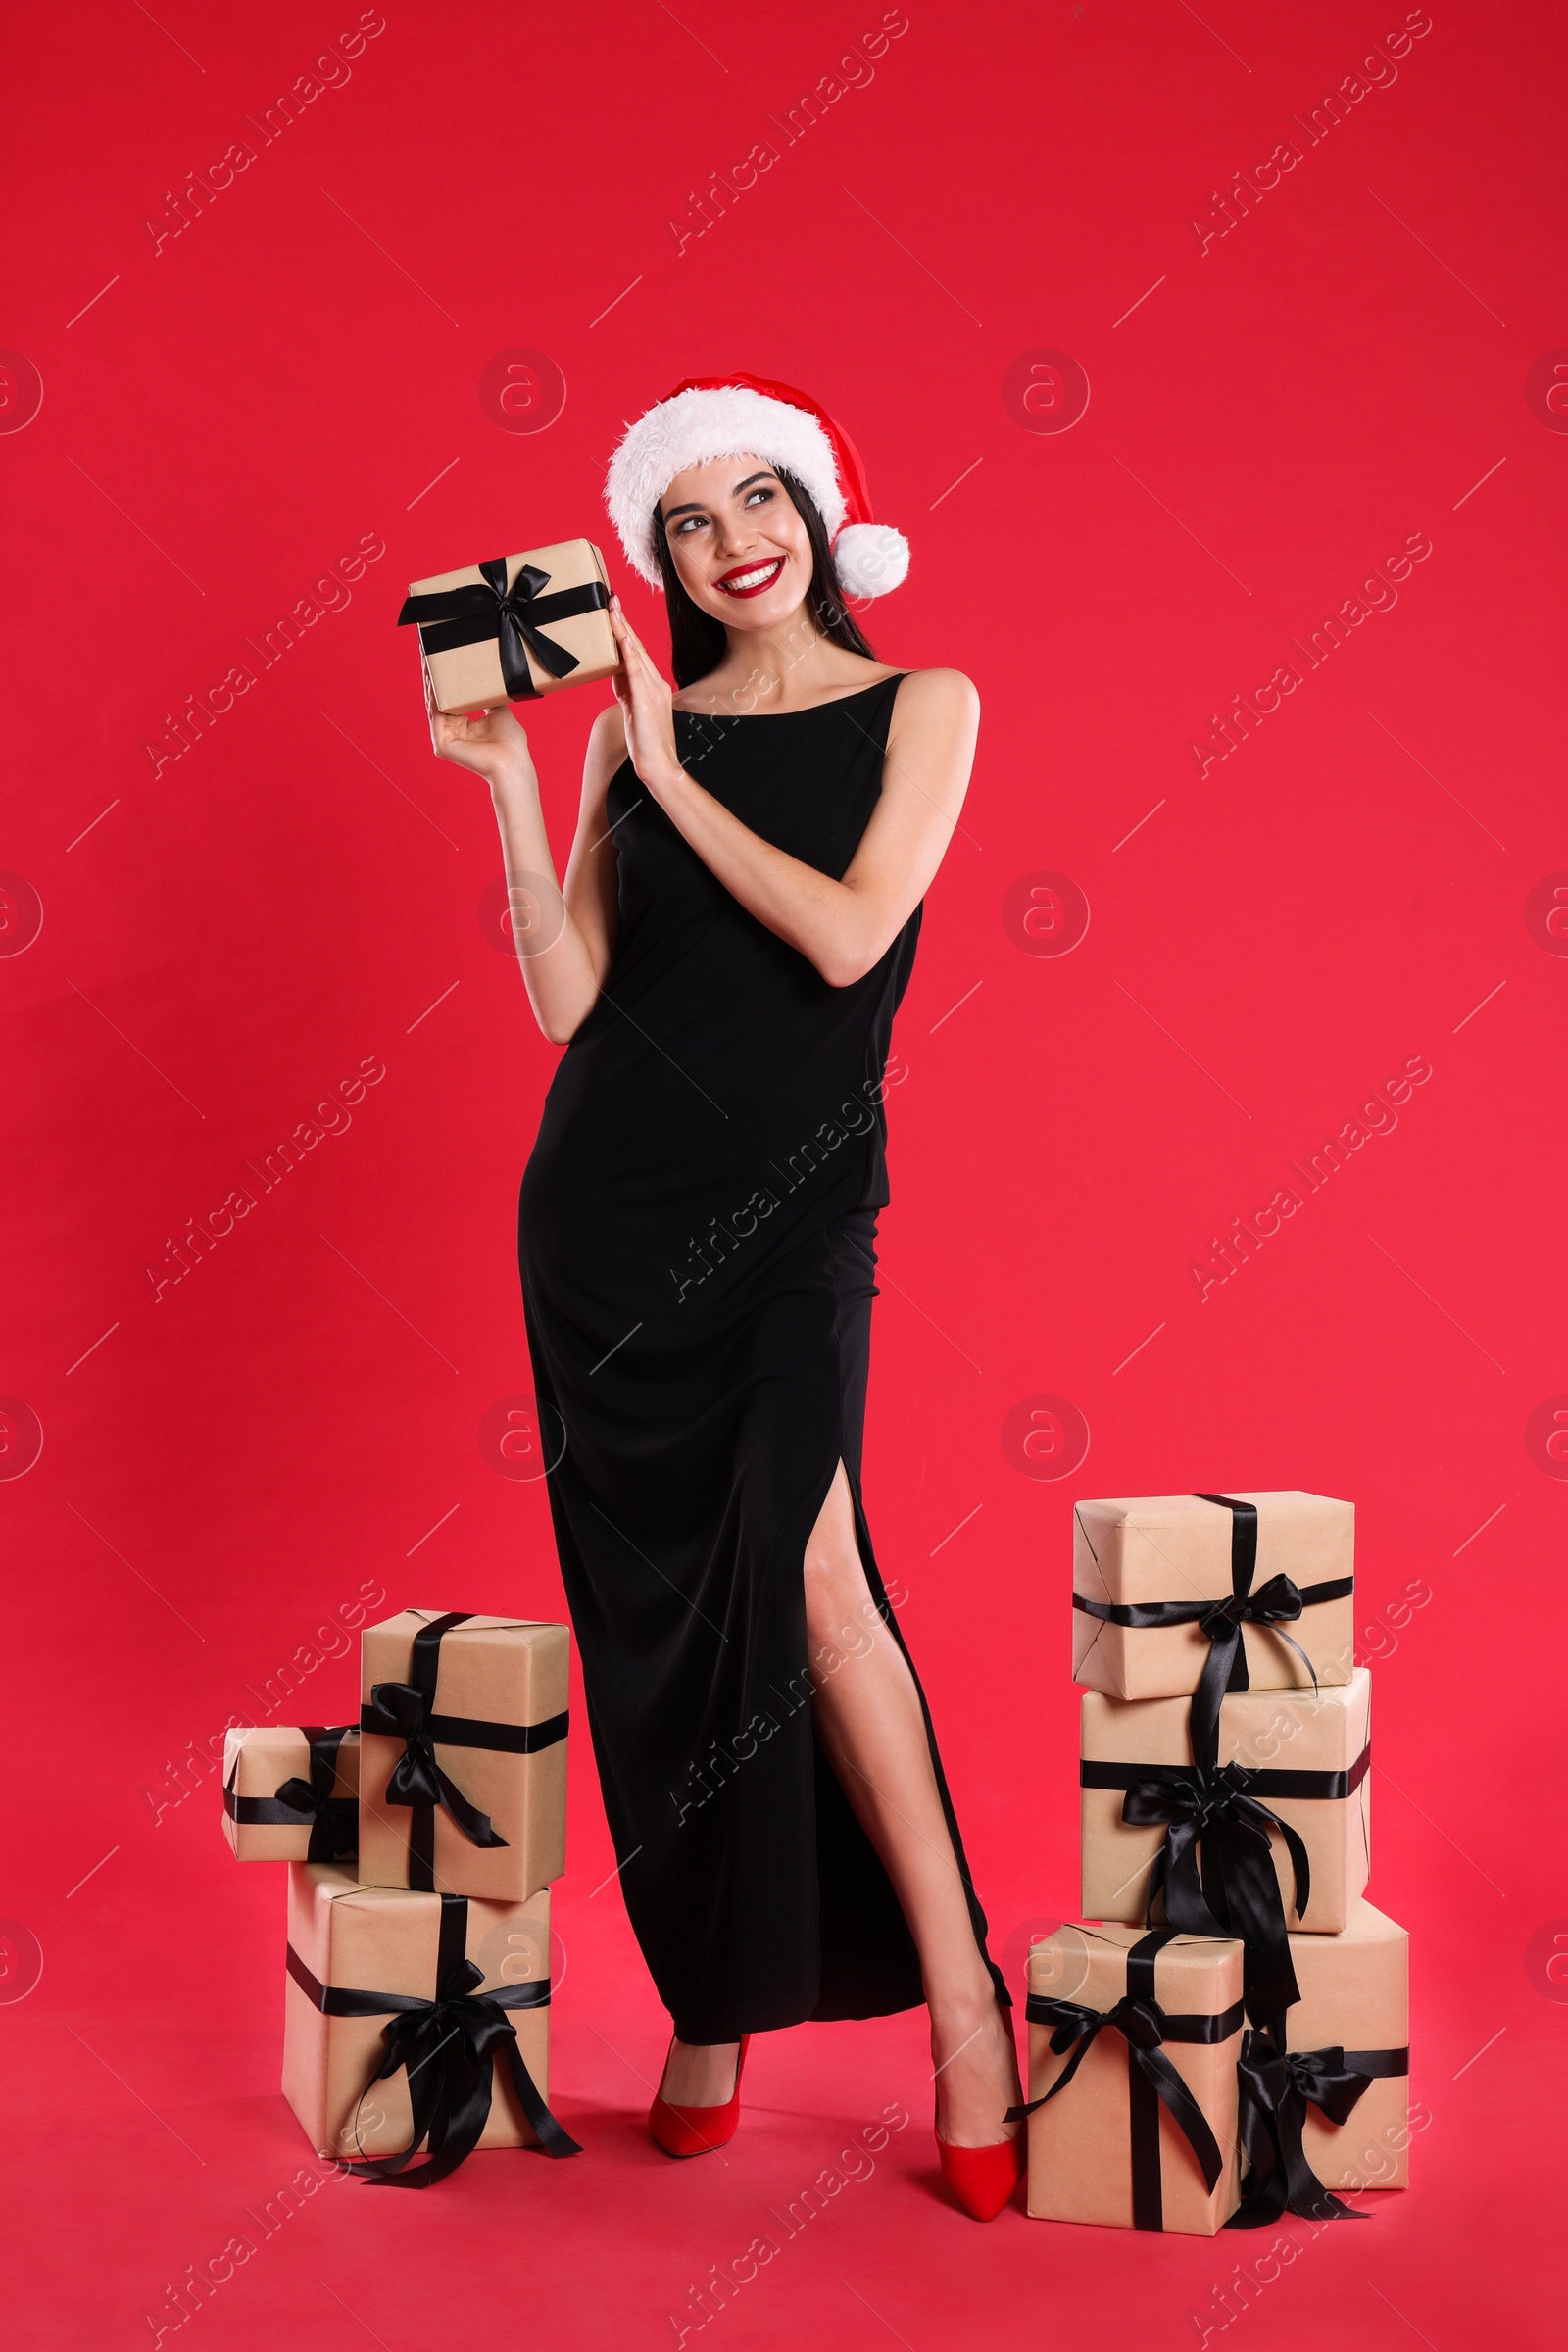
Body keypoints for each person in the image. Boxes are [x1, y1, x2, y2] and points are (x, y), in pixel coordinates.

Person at [424, 375, 1021, 2219]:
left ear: (822, 513)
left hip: (793, 1219)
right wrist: (521, 781)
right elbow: (563, 1004)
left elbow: (851, 939)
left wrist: (671, 763)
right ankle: (712, 2010)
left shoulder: (925, 704)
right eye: (686, 520)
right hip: (601, 1221)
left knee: (814, 1568)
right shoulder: (626, 739)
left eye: (759, 495)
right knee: (669, 1627)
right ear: (653, 560)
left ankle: (967, 2017)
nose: (732, 538)